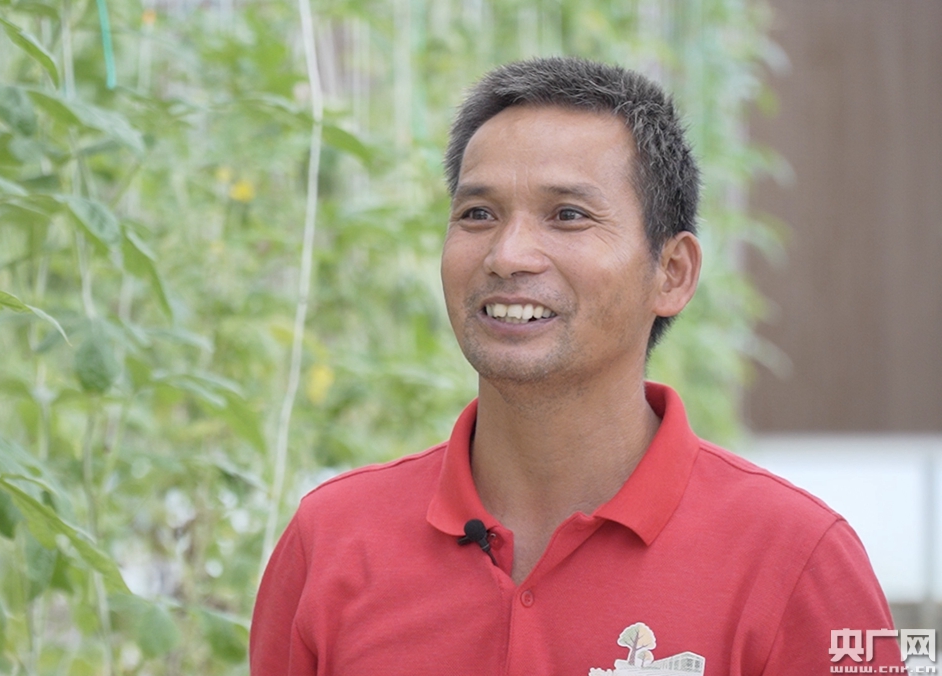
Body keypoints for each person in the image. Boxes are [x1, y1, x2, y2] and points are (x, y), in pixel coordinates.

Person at [251, 57, 902, 675]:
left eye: (567, 215)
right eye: (478, 214)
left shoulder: (797, 559)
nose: (508, 255)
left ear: (672, 273)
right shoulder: (331, 541)